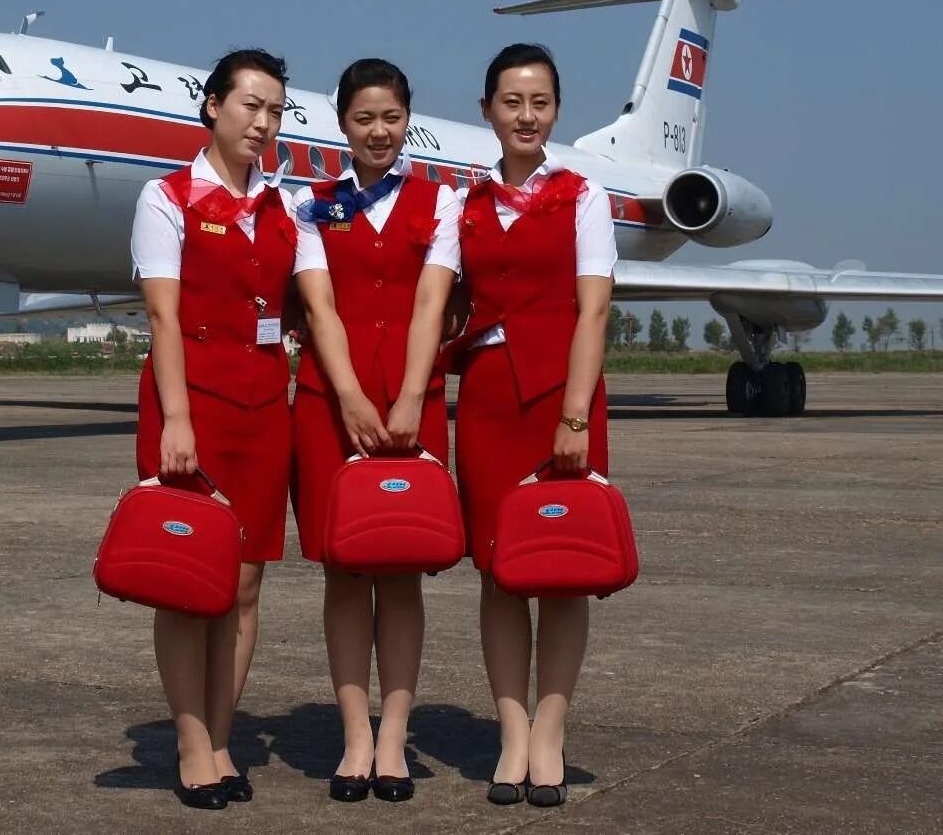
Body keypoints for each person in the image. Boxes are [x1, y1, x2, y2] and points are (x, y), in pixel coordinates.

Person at [449, 43, 617, 808]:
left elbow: (595, 308)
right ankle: (511, 733)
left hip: (562, 396)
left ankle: (550, 734)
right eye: (511, 102)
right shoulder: (461, 203)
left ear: (556, 110)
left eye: (540, 102)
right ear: (487, 110)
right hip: (486, 399)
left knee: (564, 569)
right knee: (500, 569)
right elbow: (430, 302)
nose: (526, 116)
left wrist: (575, 414)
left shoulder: (585, 194)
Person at [129, 48, 295, 810]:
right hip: (188, 405)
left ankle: (223, 739)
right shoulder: (166, 199)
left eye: (274, 110)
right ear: (212, 107)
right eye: (249, 105)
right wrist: (176, 421)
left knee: (246, 584)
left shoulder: (283, 206)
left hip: (265, 407)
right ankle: (191, 746)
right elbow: (163, 314)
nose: (261, 122)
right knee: (189, 583)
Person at [290, 59, 459, 803]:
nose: (379, 132)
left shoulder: (442, 203)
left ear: (407, 119)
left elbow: (432, 305)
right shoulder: (312, 204)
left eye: (391, 117)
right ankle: (354, 735)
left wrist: (413, 399)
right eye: (364, 119)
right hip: (331, 403)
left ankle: (395, 735)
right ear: (342, 125)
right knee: (343, 569)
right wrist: (353, 397)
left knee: (400, 568)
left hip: (412, 404)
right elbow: (319, 308)